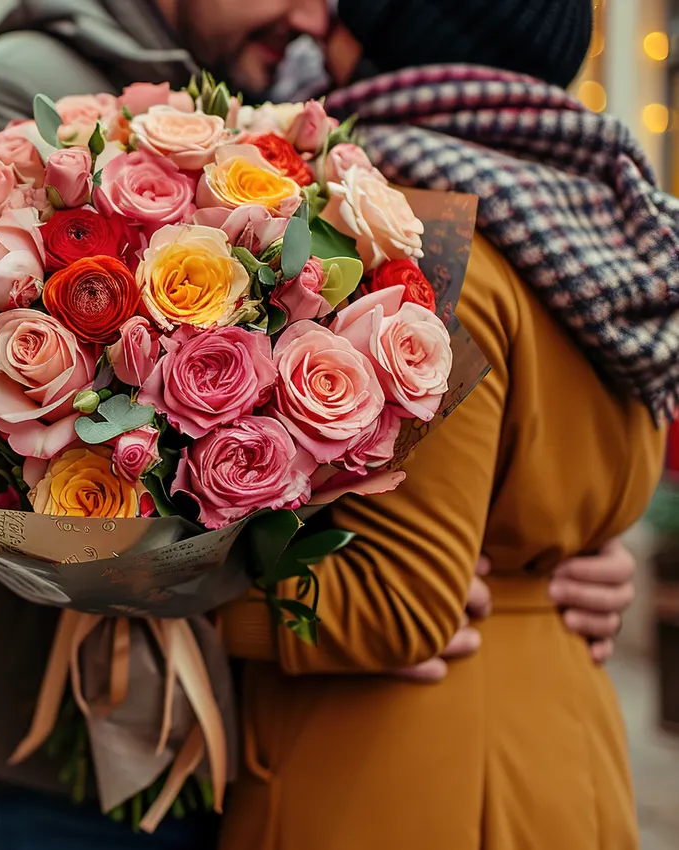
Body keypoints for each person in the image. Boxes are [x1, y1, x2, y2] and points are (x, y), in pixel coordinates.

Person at [0, 1, 652, 847]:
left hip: (338, 751)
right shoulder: (25, 89)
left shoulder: (391, 198)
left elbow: (402, 573)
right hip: (70, 757)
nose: (315, 16)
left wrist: (561, 556)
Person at [216, 2, 677, 847]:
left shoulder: (425, 235)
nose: (319, 20)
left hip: (401, 771)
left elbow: (403, 603)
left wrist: (172, 606)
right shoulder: (605, 227)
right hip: (562, 746)